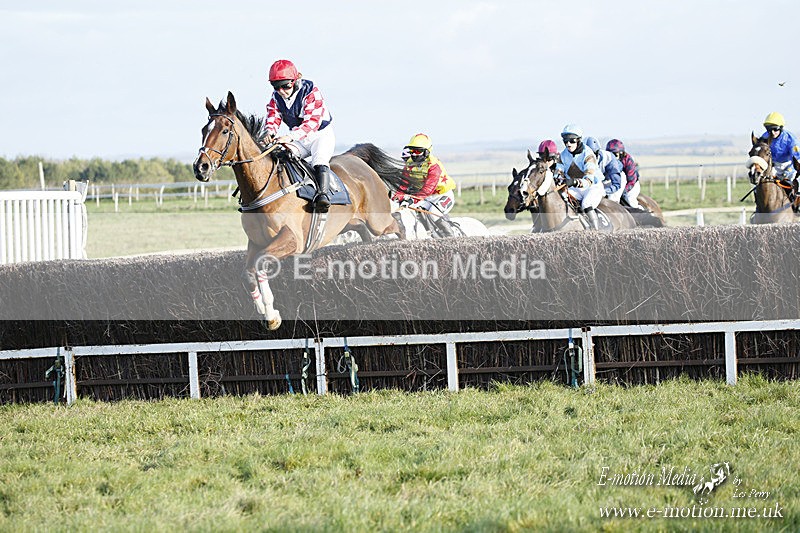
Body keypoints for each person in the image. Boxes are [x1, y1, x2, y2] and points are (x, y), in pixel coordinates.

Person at [265, 59, 335, 212]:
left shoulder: (311, 91)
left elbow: (312, 123)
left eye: (285, 86)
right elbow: (273, 116)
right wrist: (270, 132)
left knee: (319, 160)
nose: (281, 91)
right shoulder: (276, 97)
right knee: (282, 157)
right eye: (276, 87)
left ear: (295, 80)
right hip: (299, 139)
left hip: (320, 135)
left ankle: (323, 196)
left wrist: (289, 137)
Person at [393, 133, 457, 237]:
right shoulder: (409, 164)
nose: (414, 154)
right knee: (412, 211)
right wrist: (396, 198)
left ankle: (451, 238)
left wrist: (412, 199)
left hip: (442, 195)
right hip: (426, 197)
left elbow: (428, 189)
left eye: (417, 151)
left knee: (433, 213)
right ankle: (429, 234)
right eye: (412, 151)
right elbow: (403, 185)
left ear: (427, 152)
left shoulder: (434, 166)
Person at [556, 125, 605, 230]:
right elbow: (558, 172)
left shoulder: (588, 154)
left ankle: (596, 232)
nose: (568, 144)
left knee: (586, 204)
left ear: (578, 140)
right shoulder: (563, 155)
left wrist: (574, 182)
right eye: (565, 141)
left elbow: (589, 180)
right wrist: (558, 179)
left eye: (572, 140)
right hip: (575, 188)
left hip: (592, 188)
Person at [759, 112, 800, 184]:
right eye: (769, 129)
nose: (772, 133)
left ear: (781, 128)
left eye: (775, 129)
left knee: (796, 179)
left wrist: (790, 171)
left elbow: (797, 159)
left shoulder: (791, 139)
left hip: (789, 165)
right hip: (773, 165)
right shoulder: (764, 137)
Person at [605, 139, 642, 209]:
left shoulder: (628, 161)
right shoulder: (608, 160)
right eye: (610, 154)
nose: (612, 157)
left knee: (630, 200)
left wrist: (624, 191)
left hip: (631, 184)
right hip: (616, 183)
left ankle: (642, 214)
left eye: (614, 154)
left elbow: (631, 180)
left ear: (621, 153)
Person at [585, 137, 624, 202]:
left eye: (592, 154)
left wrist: (604, 191)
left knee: (613, 200)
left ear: (597, 152)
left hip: (613, 179)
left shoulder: (609, 158)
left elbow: (616, 184)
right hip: (599, 181)